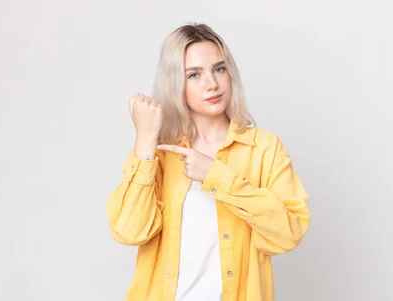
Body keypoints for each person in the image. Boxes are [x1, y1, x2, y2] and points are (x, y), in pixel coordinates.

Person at [106, 23, 310, 301]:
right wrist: (144, 139)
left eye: (219, 69)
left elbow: (289, 233)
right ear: (175, 82)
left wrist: (217, 176)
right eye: (194, 74)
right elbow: (129, 231)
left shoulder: (263, 148)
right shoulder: (160, 152)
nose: (211, 83)